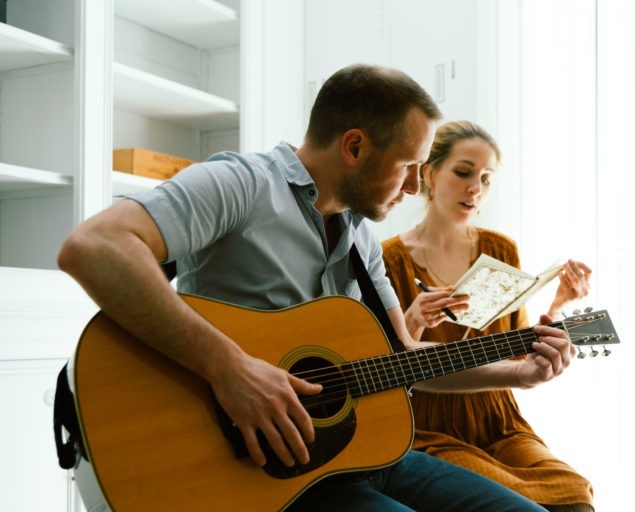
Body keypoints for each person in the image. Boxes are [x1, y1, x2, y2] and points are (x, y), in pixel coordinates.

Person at [58, 65, 575, 512]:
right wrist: (230, 368)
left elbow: (404, 357)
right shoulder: (241, 184)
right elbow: (94, 246)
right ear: (354, 146)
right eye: (408, 166)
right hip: (258, 469)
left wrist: (518, 373)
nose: (416, 186)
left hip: (360, 457)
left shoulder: (360, 236)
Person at [381, 120, 595, 512]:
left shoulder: (500, 250)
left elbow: (518, 354)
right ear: (428, 173)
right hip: (426, 427)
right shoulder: (387, 259)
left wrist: (559, 306)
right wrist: (412, 317)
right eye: (463, 172)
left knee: (575, 492)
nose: (475, 188)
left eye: (486, 178)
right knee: (507, 499)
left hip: (501, 420)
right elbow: (387, 363)